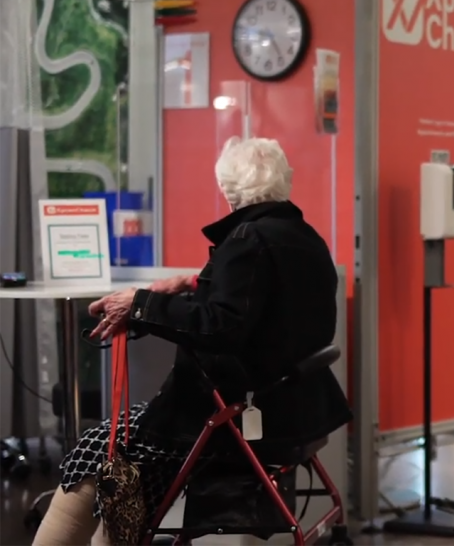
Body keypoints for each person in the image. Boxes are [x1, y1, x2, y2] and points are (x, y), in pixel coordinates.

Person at [33, 137, 353, 545]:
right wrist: (191, 286)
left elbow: (220, 327)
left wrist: (140, 304)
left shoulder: (246, 240)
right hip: (297, 409)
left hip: (232, 416)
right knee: (114, 446)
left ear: (228, 188)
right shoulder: (305, 238)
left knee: (97, 446)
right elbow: (264, 315)